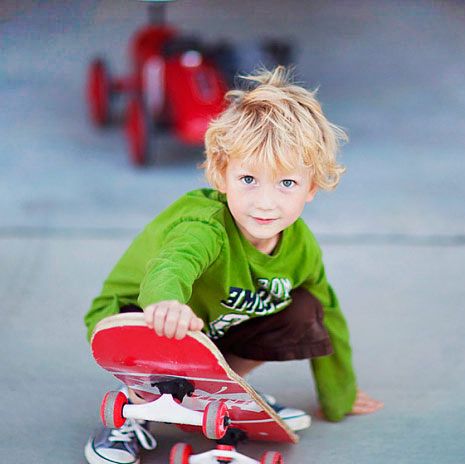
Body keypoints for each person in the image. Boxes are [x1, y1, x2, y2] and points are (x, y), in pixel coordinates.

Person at [84, 66, 383, 464]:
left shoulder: (301, 246)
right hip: (138, 318)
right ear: (221, 175)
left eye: (286, 184)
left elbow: (328, 313)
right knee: (153, 328)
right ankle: (132, 410)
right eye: (248, 179)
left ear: (311, 188)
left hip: (205, 331)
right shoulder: (205, 226)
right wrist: (165, 302)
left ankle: (221, 388)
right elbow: (172, 264)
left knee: (305, 308)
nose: (265, 202)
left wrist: (338, 395)